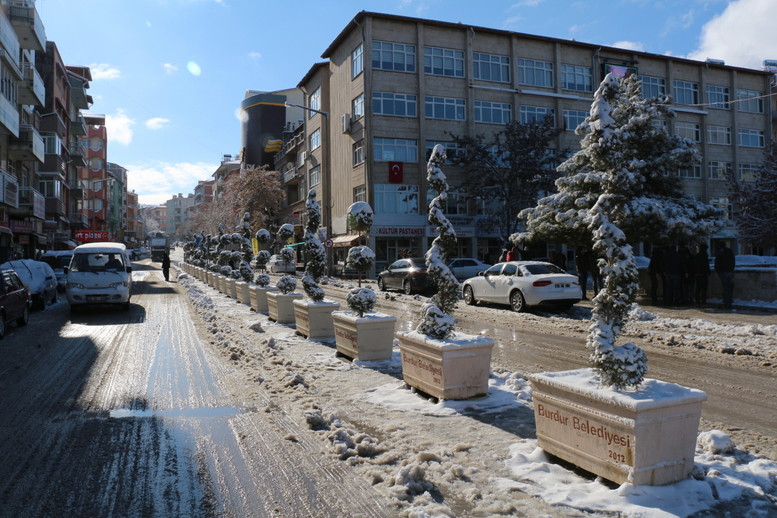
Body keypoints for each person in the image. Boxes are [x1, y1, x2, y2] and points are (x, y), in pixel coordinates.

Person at [714, 242, 735, 309]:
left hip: (723, 272)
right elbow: (733, 261)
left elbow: (717, 262)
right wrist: (731, 269)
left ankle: (726, 303)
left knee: (725, 288)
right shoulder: (730, 251)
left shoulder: (720, 252)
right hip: (729, 271)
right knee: (730, 287)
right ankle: (729, 301)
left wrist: (718, 271)